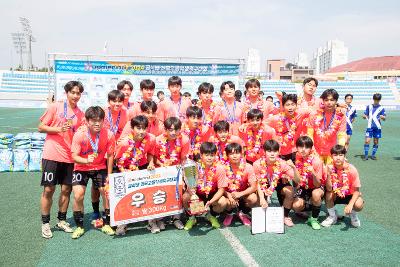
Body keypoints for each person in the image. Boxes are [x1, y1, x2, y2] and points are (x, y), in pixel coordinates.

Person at [38, 81, 85, 239]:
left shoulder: (80, 114)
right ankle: (45, 223)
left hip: (70, 158)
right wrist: (59, 129)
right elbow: (41, 127)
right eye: (73, 92)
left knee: (66, 190)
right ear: (67, 93)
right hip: (52, 155)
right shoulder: (55, 107)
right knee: (48, 189)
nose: (75, 96)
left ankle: (62, 220)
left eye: (78, 93)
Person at [70, 106, 115, 238]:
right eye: (93, 120)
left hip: (100, 167)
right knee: (78, 195)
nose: (97, 123)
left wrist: (110, 174)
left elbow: (111, 155)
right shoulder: (79, 134)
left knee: (106, 193)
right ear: (86, 121)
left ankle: (106, 223)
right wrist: (85, 161)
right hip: (81, 168)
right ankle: (79, 226)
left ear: (103, 120)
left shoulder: (109, 134)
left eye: (100, 120)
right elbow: (74, 156)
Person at [114, 115, 156, 236]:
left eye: (144, 128)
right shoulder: (124, 143)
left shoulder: (151, 139)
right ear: (132, 128)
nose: (142, 131)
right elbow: (117, 160)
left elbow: (150, 153)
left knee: (147, 192)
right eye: (138, 128)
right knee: (123, 195)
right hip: (124, 168)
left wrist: (151, 163)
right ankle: (122, 224)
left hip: (141, 166)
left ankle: (150, 221)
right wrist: (123, 171)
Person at [153, 117, 190, 232]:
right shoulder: (158, 140)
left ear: (180, 129)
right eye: (170, 130)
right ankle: (159, 219)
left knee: (181, 189)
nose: (173, 132)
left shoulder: (184, 139)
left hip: (177, 170)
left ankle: (176, 218)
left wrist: (182, 173)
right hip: (161, 171)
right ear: (165, 129)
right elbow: (154, 158)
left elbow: (183, 159)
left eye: (176, 129)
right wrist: (162, 165)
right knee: (160, 193)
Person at [182, 142, 228, 230]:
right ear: (201, 155)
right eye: (207, 155)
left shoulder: (220, 168)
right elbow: (190, 185)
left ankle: (211, 216)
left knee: (223, 202)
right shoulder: (194, 167)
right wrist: (192, 193)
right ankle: (192, 218)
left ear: (215, 155)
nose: (209, 158)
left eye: (212, 155)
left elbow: (221, 190)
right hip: (198, 194)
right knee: (186, 197)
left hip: (212, 194)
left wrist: (211, 201)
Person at [254, 140, 295, 227]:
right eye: (269, 151)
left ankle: (285, 216)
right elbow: (258, 183)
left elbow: (297, 179)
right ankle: (262, 216)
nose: (272, 154)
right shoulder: (257, 164)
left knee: (290, 191)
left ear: (278, 152)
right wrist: (262, 198)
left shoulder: (283, 163)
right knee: (258, 198)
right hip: (263, 182)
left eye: (275, 151)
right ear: (264, 152)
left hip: (278, 181)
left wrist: (294, 168)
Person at [321, 145, 364, 228]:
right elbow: (329, 188)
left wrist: (350, 205)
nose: (338, 158)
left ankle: (353, 215)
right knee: (328, 194)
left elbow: (357, 191)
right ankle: (333, 216)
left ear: (344, 156)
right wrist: (329, 174)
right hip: (335, 194)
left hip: (350, 195)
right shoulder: (328, 168)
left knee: (358, 204)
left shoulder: (352, 169)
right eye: (335, 155)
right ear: (331, 156)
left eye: (340, 155)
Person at [290, 136, 324, 230]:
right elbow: (297, 181)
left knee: (316, 194)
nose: (303, 150)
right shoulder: (296, 158)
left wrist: (313, 173)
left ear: (311, 148)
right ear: (296, 148)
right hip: (303, 187)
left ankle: (314, 219)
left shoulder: (317, 161)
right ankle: (308, 208)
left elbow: (318, 184)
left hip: (316, 187)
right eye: (301, 147)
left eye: (306, 147)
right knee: (296, 206)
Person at [266, 93, 311, 162]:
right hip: (279, 153)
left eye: (293, 104)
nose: (290, 108)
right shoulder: (275, 119)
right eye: (287, 105)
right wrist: (245, 125)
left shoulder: (300, 114)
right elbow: (261, 124)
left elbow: (314, 112)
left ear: (296, 105)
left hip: (294, 151)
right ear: (283, 107)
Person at [307, 89, 346, 165]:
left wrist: (339, 152)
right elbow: (309, 134)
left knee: (331, 176)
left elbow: (342, 135)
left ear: (336, 101)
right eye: (326, 100)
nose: (329, 103)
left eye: (332, 100)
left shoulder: (341, 116)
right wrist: (312, 149)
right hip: (315, 152)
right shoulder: (314, 114)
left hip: (332, 153)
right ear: (323, 101)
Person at [223, 143, 258, 227]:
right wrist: (229, 195)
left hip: (243, 194)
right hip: (229, 195)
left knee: (253, 198)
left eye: (237, 153)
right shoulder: (223, 167)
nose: (235, 156)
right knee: (222, 202)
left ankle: (243, 213)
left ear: (241, 154)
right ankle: (229, 213)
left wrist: (240, 194)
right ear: (227, 155)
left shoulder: (248, 167)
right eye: (231, 154)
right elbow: (220, 187)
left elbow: (254, 186)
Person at [362, 93, 386, 160]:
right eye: (375, 100)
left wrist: (383, 117)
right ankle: (366, 155)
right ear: (373, 99)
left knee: (375, 141)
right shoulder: (369, 106)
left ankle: (373, 155)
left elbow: (384, 118)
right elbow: (365, 115)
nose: (376, 101)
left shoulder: (381, 108)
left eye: (378, 100)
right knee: (367, 141)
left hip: (377, 127)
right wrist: (364, 116)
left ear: (380, 100)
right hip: (369, 127)